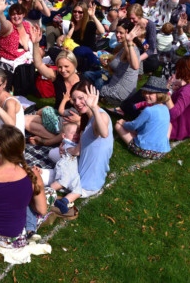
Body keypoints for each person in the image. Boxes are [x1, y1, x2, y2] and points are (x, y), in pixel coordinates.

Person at [0, 125, 47, 248]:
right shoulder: (33, 176)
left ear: (0, 149)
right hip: (12, 238)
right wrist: (27, 200)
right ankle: (30, 228)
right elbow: (42, 210)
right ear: (22, 148)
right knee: (50, 193)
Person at [52, 81, 113, 215]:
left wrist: (94, 107)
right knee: (55, 155)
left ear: (91, 96)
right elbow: (78, 150)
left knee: (53, 172)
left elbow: (103, 133)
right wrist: (66, 149)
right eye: (74, 100)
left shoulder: (100, 116)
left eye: (81, 98)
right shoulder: (86, 119)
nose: (77, 103)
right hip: (82, 173)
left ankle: (46, 193)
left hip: (86, 184)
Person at [25, 25, 81, 145]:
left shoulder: (83, 82)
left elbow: (93, 110)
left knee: (34, 118)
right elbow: (39, 65)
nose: (63, 70)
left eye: (66, 66)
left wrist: (80, 120)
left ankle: (51, 141)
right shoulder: (57, 77)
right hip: (57, 118)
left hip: (72, 124)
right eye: (60, 67)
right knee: (23, 120)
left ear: (74, 65)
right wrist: (35, 44)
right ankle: (56, 139)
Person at [115, 76, 171, 160]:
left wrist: (123, 123)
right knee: (169, 124)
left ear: (159, 95)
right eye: (145, 92)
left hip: (143, 150)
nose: (146, 95)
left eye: (150, 93)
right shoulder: (166, 109)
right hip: (162, 152)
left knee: (118, 126)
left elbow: (133, 126)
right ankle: (163, 143)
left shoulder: (149, 110)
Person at [49, 122, 81, 196]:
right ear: (64, 136)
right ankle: (46, 192)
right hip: (64, 167)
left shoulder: (73, 143)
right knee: (62, 182)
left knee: (78, 189)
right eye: (72, 133)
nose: (75, 135)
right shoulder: (67, 144)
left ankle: (65, 201)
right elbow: (76, 152)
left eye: (77, 133)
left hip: (72, 170)